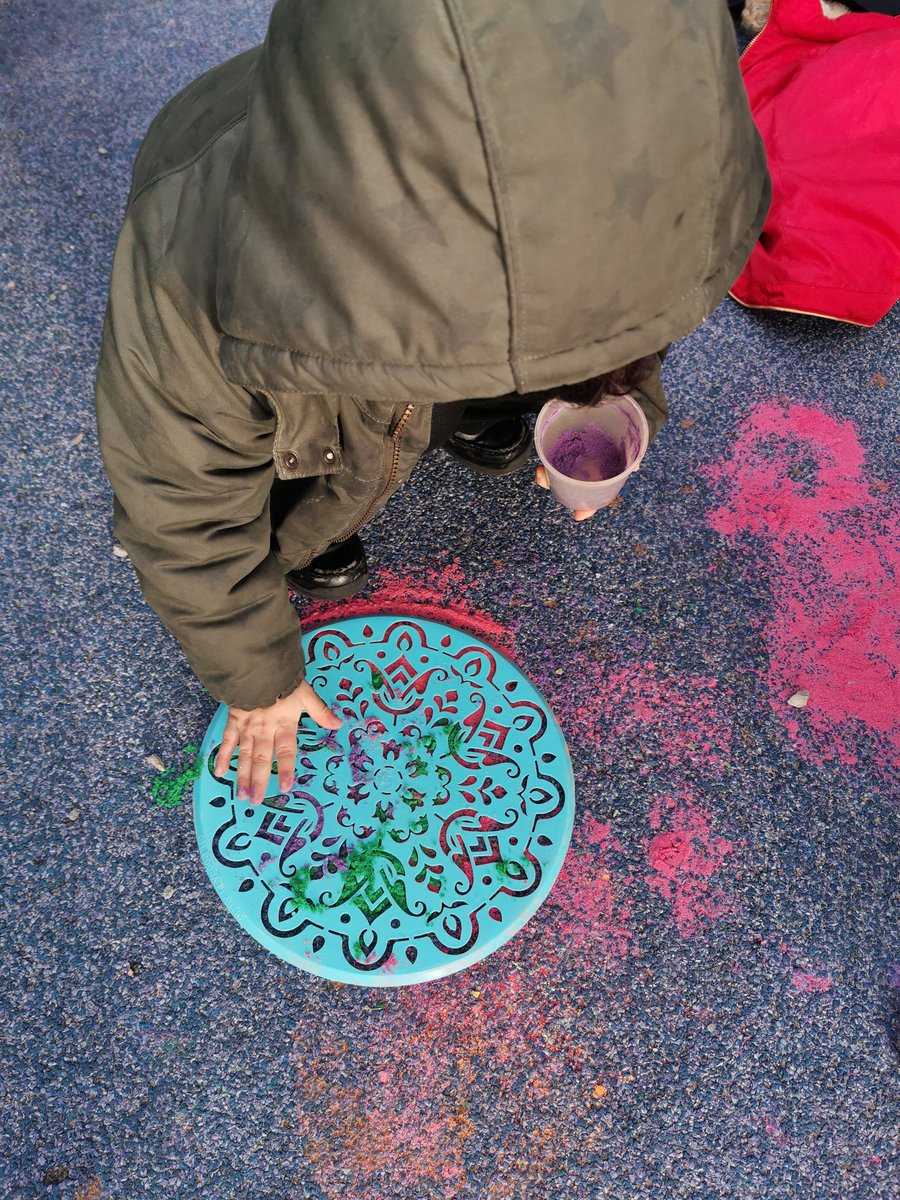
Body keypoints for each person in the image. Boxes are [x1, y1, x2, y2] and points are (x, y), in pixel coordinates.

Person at [95, 0, 769, 805]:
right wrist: (257, 676)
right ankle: (311, 530)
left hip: (413, 281)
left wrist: (610, 396)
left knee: (469, 374)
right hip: (295, 294)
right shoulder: (204, 286)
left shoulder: (635, 166)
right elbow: (180, 508)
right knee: (298, 460)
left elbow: (633, 288)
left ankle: (469, 406)